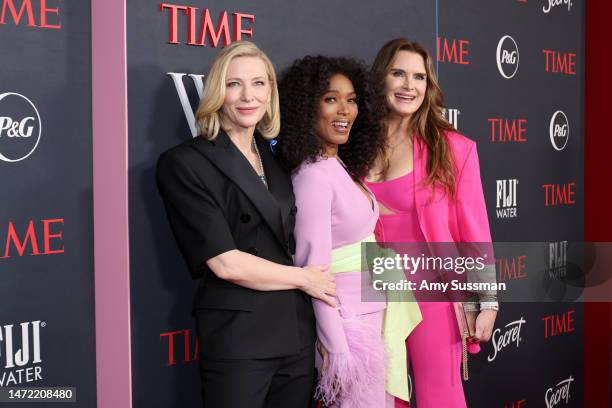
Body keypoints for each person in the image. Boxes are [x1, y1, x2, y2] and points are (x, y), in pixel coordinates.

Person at [156, 41, 337, 408]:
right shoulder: (185, 163)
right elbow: (225, 262)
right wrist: (306, 278)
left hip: (295, 333)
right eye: (234, 83)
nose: (247, 95)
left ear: (270, 92)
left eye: (258, 83)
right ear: (216, 91)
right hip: (239, 339)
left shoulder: (279, 159)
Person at [277, 56, 422, 408]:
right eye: (331, 99)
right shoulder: (313, 176)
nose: (345, 110)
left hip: (370, 320)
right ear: (305, 108)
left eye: (352, 100)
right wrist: (337, 350)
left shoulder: (335, 165)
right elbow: (315, 270)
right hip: (349, 329)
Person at [364, 38, 499, 408]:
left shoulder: (452, 148)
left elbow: (476, 232)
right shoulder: (354, 144)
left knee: (439, 398)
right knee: (381, 399)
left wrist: (486, 299)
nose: (410, 85)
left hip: (433, 296)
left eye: (419, 77)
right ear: (380, 79)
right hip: (373, 295)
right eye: (399, 74)